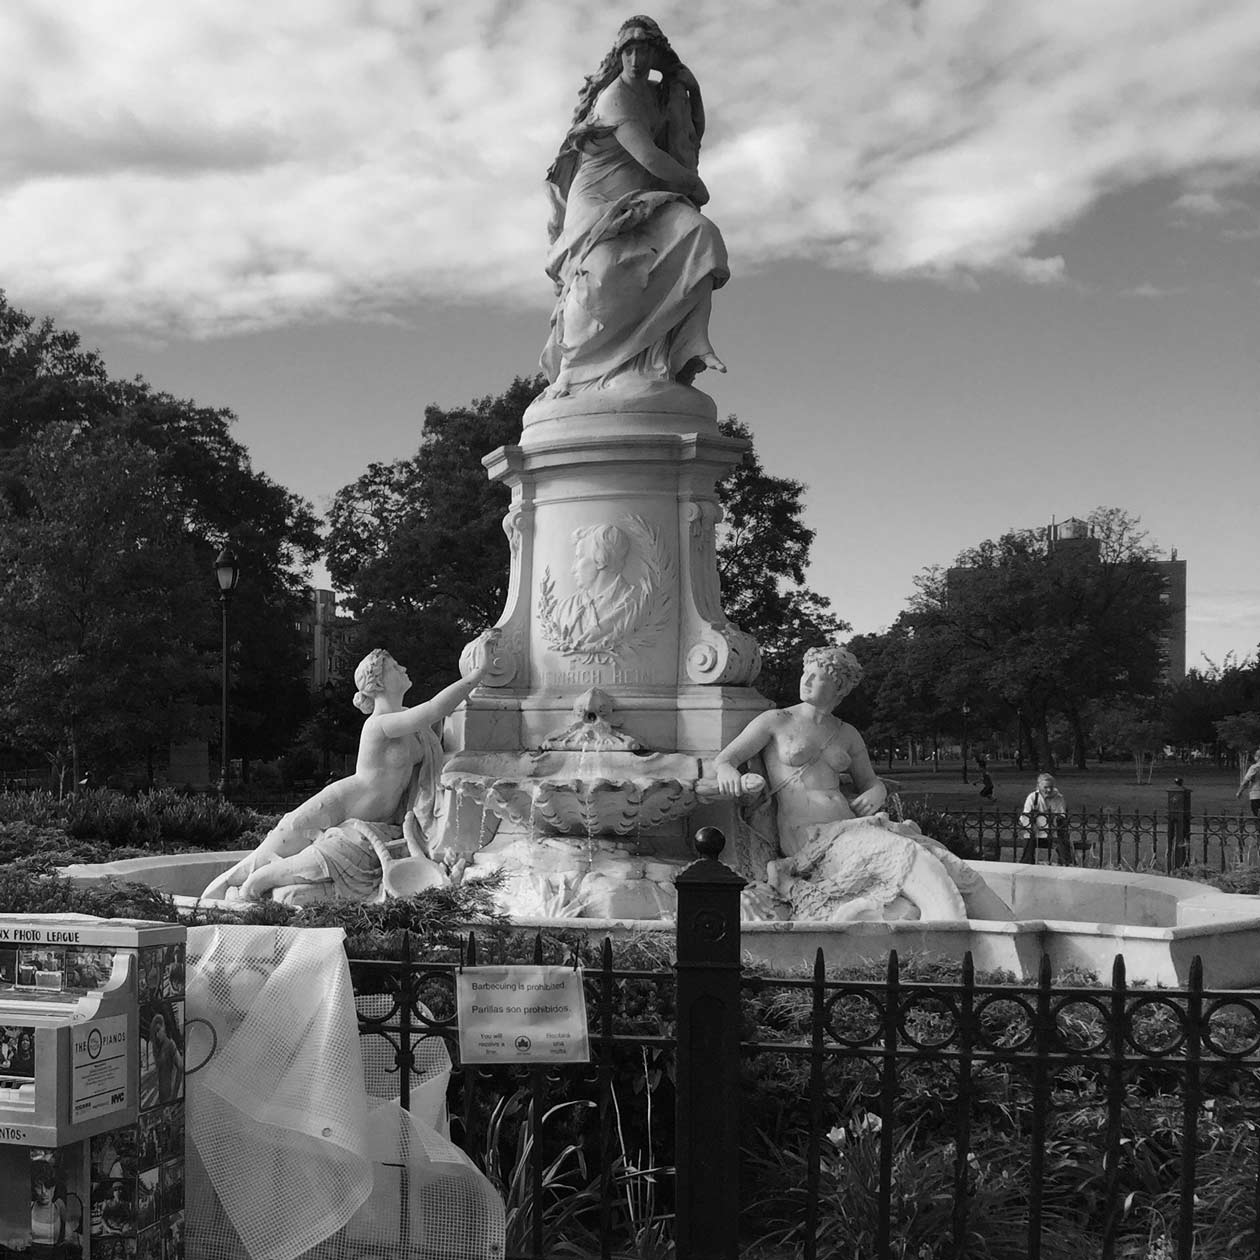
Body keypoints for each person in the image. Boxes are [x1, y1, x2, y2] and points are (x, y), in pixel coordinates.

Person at [712, 644, 1011, 922]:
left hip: (851, 826)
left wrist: (877, 790)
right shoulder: (776, 720)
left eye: (817, 676)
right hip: (809, 836)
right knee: (908, 855)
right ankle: (951, 930)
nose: (806, 679)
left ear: (839, 687)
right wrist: (731, 775)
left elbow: (870, 781)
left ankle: (1012, 927)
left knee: (948, 863)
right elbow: (725, 760)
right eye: (806, 672)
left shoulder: (847, 733)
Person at [202, 635, 498, 903]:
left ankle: (250, 890)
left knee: (293, 860)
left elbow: (439, 721)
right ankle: (215, 892)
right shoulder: (380, 723)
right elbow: (435, 708)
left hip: (373, 820)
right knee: (271, 847)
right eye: (396, 667)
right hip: (341, 803)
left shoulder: (410, 721)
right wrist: (478, 673)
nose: (405, 669)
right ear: (378, 682)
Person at [541, 16, 728, 396]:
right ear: (619, 54)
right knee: (604, 269)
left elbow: (691, 136)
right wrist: (694, 185)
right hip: (599, 200)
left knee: (701, 234)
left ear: (657, 55)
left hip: (645, 199)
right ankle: (574, 370)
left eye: (644, 50)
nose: (636, 59)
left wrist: (693, 91)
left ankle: (688, 347)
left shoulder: (660, 95)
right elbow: (651, 160)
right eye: (629, 50)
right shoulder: (615, 97)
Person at [1018, 773, 1072, 865]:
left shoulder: (1059, 797)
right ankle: (1026, 864)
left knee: (1063, 845)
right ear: (1039, 786)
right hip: (1035, 832)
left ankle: (1067, 864)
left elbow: (1062, 816)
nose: (1049, 789)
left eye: (1051, 787)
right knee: (1029, 841)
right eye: (1046, 787)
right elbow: (1025, 816)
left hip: (1053, 832)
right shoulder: (1032, 797)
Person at [1236, 748, 1260, 820]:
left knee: (1257, 816)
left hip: (1256, 794)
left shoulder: (1255, 767)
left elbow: (1246, 781)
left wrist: (1239, 792)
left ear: (1257, 757)